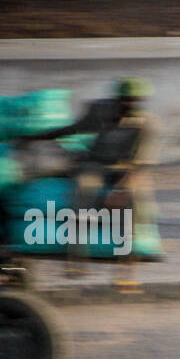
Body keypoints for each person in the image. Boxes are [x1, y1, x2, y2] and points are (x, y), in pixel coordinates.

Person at [22, 76, 160, 267]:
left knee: (135, 201)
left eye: (135, 100)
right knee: (84, 192)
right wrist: (38, 137)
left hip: (125, 168)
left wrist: (120, 190)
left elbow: (141, 165)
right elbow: (74, 129)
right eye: (126, 99)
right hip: (94, 163)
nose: (129, 104)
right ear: (117, 99)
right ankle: (77, 255)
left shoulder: (147, 124)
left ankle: (128, 255)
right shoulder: (100, 110)